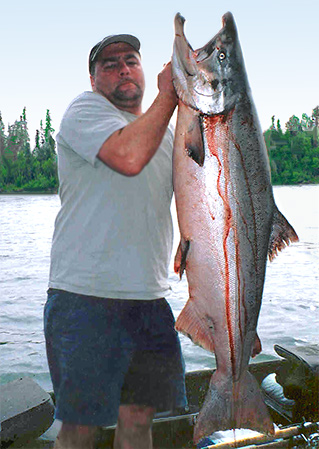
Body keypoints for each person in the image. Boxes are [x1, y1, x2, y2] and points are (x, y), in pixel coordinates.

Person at [44, 34, 187, 449]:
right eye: (109, 64)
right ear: (93, 79)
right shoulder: (84, 111)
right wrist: (169, 95)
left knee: (140, 421)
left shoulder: (167, 130)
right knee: (80, 429)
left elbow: (192, 196)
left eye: (130, 60)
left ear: (142, 70)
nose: (123, 68)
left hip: (150, 301)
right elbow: (128, 158)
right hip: (84, 299)